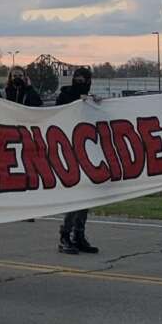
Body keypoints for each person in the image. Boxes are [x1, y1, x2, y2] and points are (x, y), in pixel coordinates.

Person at [55, 67, 100, 255]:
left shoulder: (90, 100)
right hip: (69, 150)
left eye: (84, 79)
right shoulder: (65, 96)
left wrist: (97, 104)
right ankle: (65, 235)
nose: (81, 81)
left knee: (86, 196)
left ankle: (79, 234)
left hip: (87, 151)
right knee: (74, 196)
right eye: (78, 78)